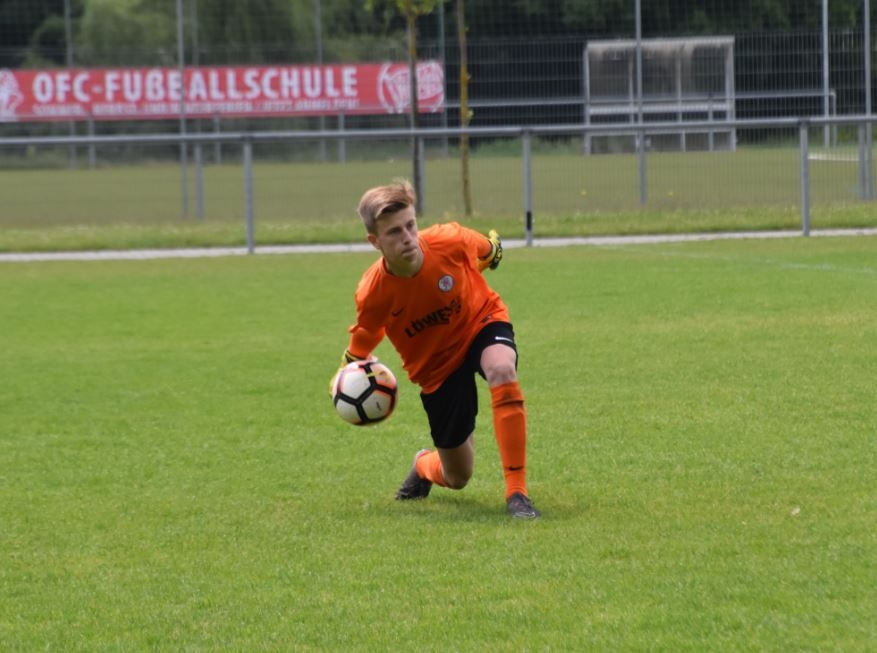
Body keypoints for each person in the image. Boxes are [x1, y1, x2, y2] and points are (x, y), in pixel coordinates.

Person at [333, 178, 540, 519]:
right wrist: (351, 362)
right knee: (458, 476)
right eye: (394, 232)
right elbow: (368, 331)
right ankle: (423, 465)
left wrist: (492, 252)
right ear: (375, 241)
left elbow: (487, 250)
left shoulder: (449, 239)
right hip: (436, 367)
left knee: (501, 368)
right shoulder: (373, 291)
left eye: (410, 225)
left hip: (480, 322)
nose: (407, 237)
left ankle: (517, 493)